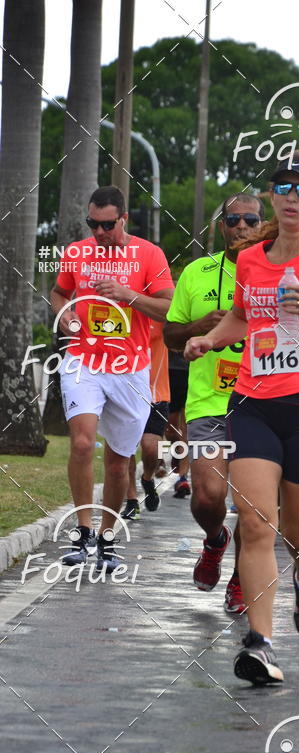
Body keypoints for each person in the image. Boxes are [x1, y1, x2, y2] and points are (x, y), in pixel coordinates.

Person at [184, 154, 299, 684]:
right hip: (253, 401)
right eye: (281, 187)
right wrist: (209, 339)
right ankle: (260, 644)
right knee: (256, 524)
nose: (290, 197)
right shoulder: (251, 261)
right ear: (272, 196)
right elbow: (243, 317)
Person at [51, 185, 173, 569]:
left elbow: (168, 308)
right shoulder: (77, 253)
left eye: (106, 224)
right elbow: (58, 293)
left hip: (130, 369)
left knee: (121, 461)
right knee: (83, 443)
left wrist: (127, 294)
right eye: (93, 224)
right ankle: (82, 532)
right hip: (83, 361)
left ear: (123, 219)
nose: (99, 232)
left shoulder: (149, 255)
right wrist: (66, 317)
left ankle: (106, 537)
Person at [164, 193, 265, 614]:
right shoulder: (196, 272)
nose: (241, 226)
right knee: (208, 496)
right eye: (233, 219)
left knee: (253, 504)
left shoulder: (280, 275)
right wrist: (197, 328)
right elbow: (170, 336)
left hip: (263, 402)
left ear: (263, 224)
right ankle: (215, 540)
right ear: (221, 226)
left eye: (250, 220)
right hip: (209, 402)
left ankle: (242, 576)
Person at [122, 318, 171, 519]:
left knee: (151, 448)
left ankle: (147, 478)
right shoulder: (123, 315)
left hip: (156, 395)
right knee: (125, 449)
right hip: (125, 393)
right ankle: (132, 501)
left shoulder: (161, 316)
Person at [165, 350, 191, 497]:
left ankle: (183, 477)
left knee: (186, 426)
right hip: (169, 368)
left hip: (194, 370)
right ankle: (177, 452)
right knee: (171, 430)